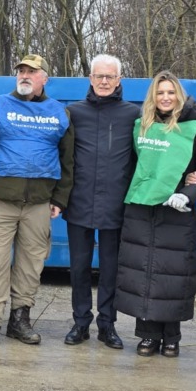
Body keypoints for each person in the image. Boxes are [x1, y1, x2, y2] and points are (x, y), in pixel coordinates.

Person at [0, 54, 75, 348]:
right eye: (21, 71)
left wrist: (60, 198)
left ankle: (19, 320)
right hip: (1, 201)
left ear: (45, 78)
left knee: (31, 264)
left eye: (32, 71)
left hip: (40, 203)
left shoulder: (60, 113)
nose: (25, 76)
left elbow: (69, 160)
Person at [116, 71, 196, 358]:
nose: (165, 98)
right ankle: (147, 335)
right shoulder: (141, 127)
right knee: (143, 270)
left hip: (177, 211)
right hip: (141, 209)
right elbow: (131, 166)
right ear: (153, 97)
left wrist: (187, 193)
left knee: (172, 274)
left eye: (171, 92)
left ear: (179, 96)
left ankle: (171, 337)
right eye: (160, 93)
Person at [62, 54, 140, 349]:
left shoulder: (133, 115)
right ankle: (80, 322)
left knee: (111, 269)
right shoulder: (73, 113)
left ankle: (107, 324)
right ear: (90, 79)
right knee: (79, 267)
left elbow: (150, 154)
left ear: (120, 80)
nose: (104, 81)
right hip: (79, 202)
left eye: (110, 76)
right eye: (99, 76)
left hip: (117, 205)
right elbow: (61, 156)